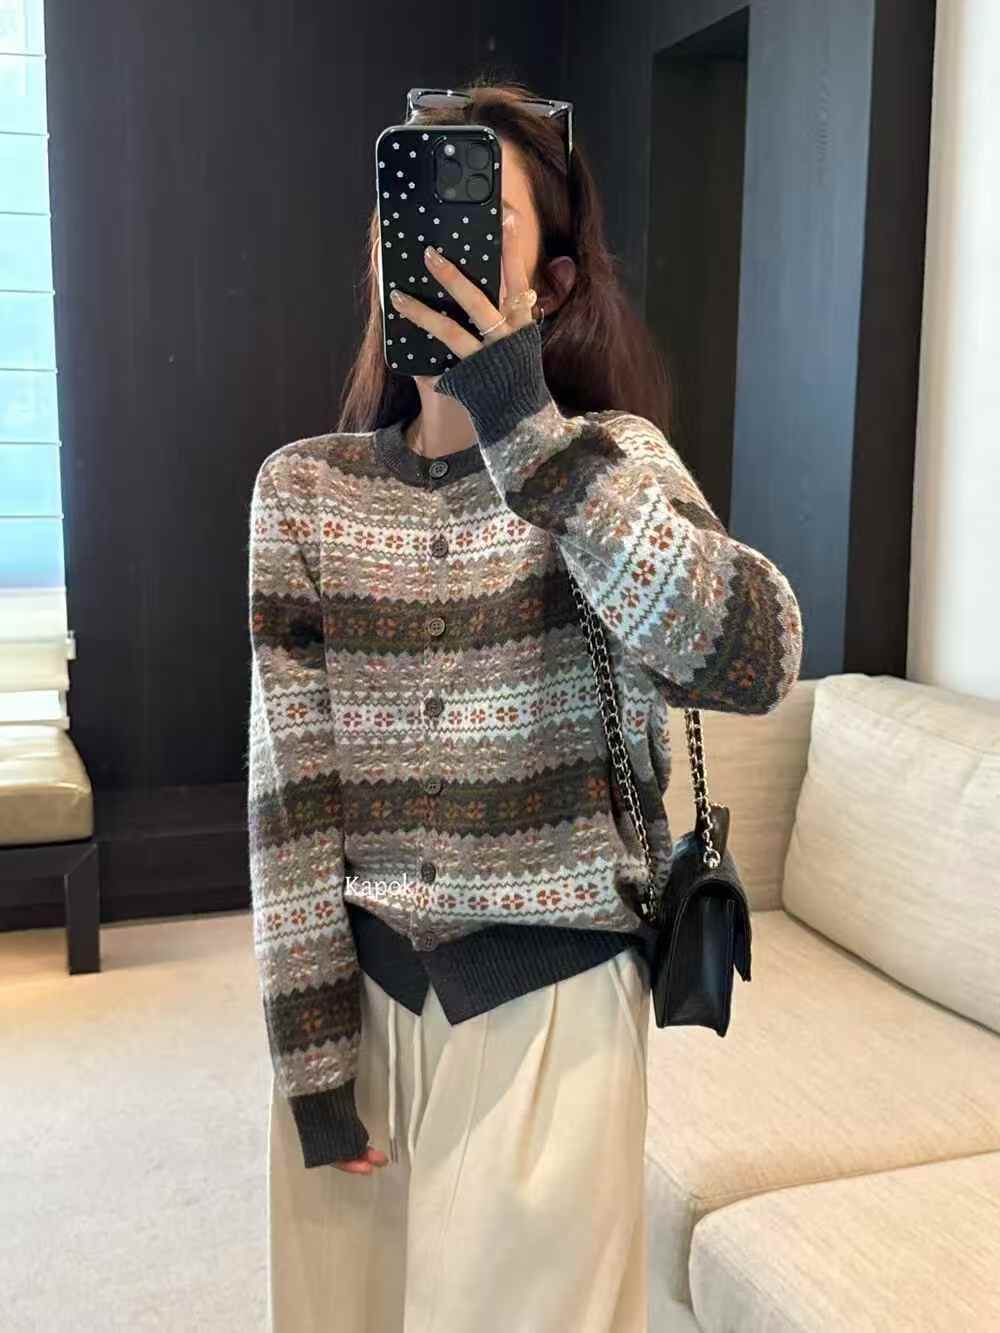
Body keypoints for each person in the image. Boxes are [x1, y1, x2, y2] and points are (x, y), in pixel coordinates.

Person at [246, 78, 803, 1333]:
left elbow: (751, 658)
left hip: (555, 1023)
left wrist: (529, 436)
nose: (433, 240)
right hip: (365, 1010)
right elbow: (290, 809)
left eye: (475, 216)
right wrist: (312, 1061)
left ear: (550, 282)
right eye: (407, 207)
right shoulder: (303, 494)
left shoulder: (609, 463)